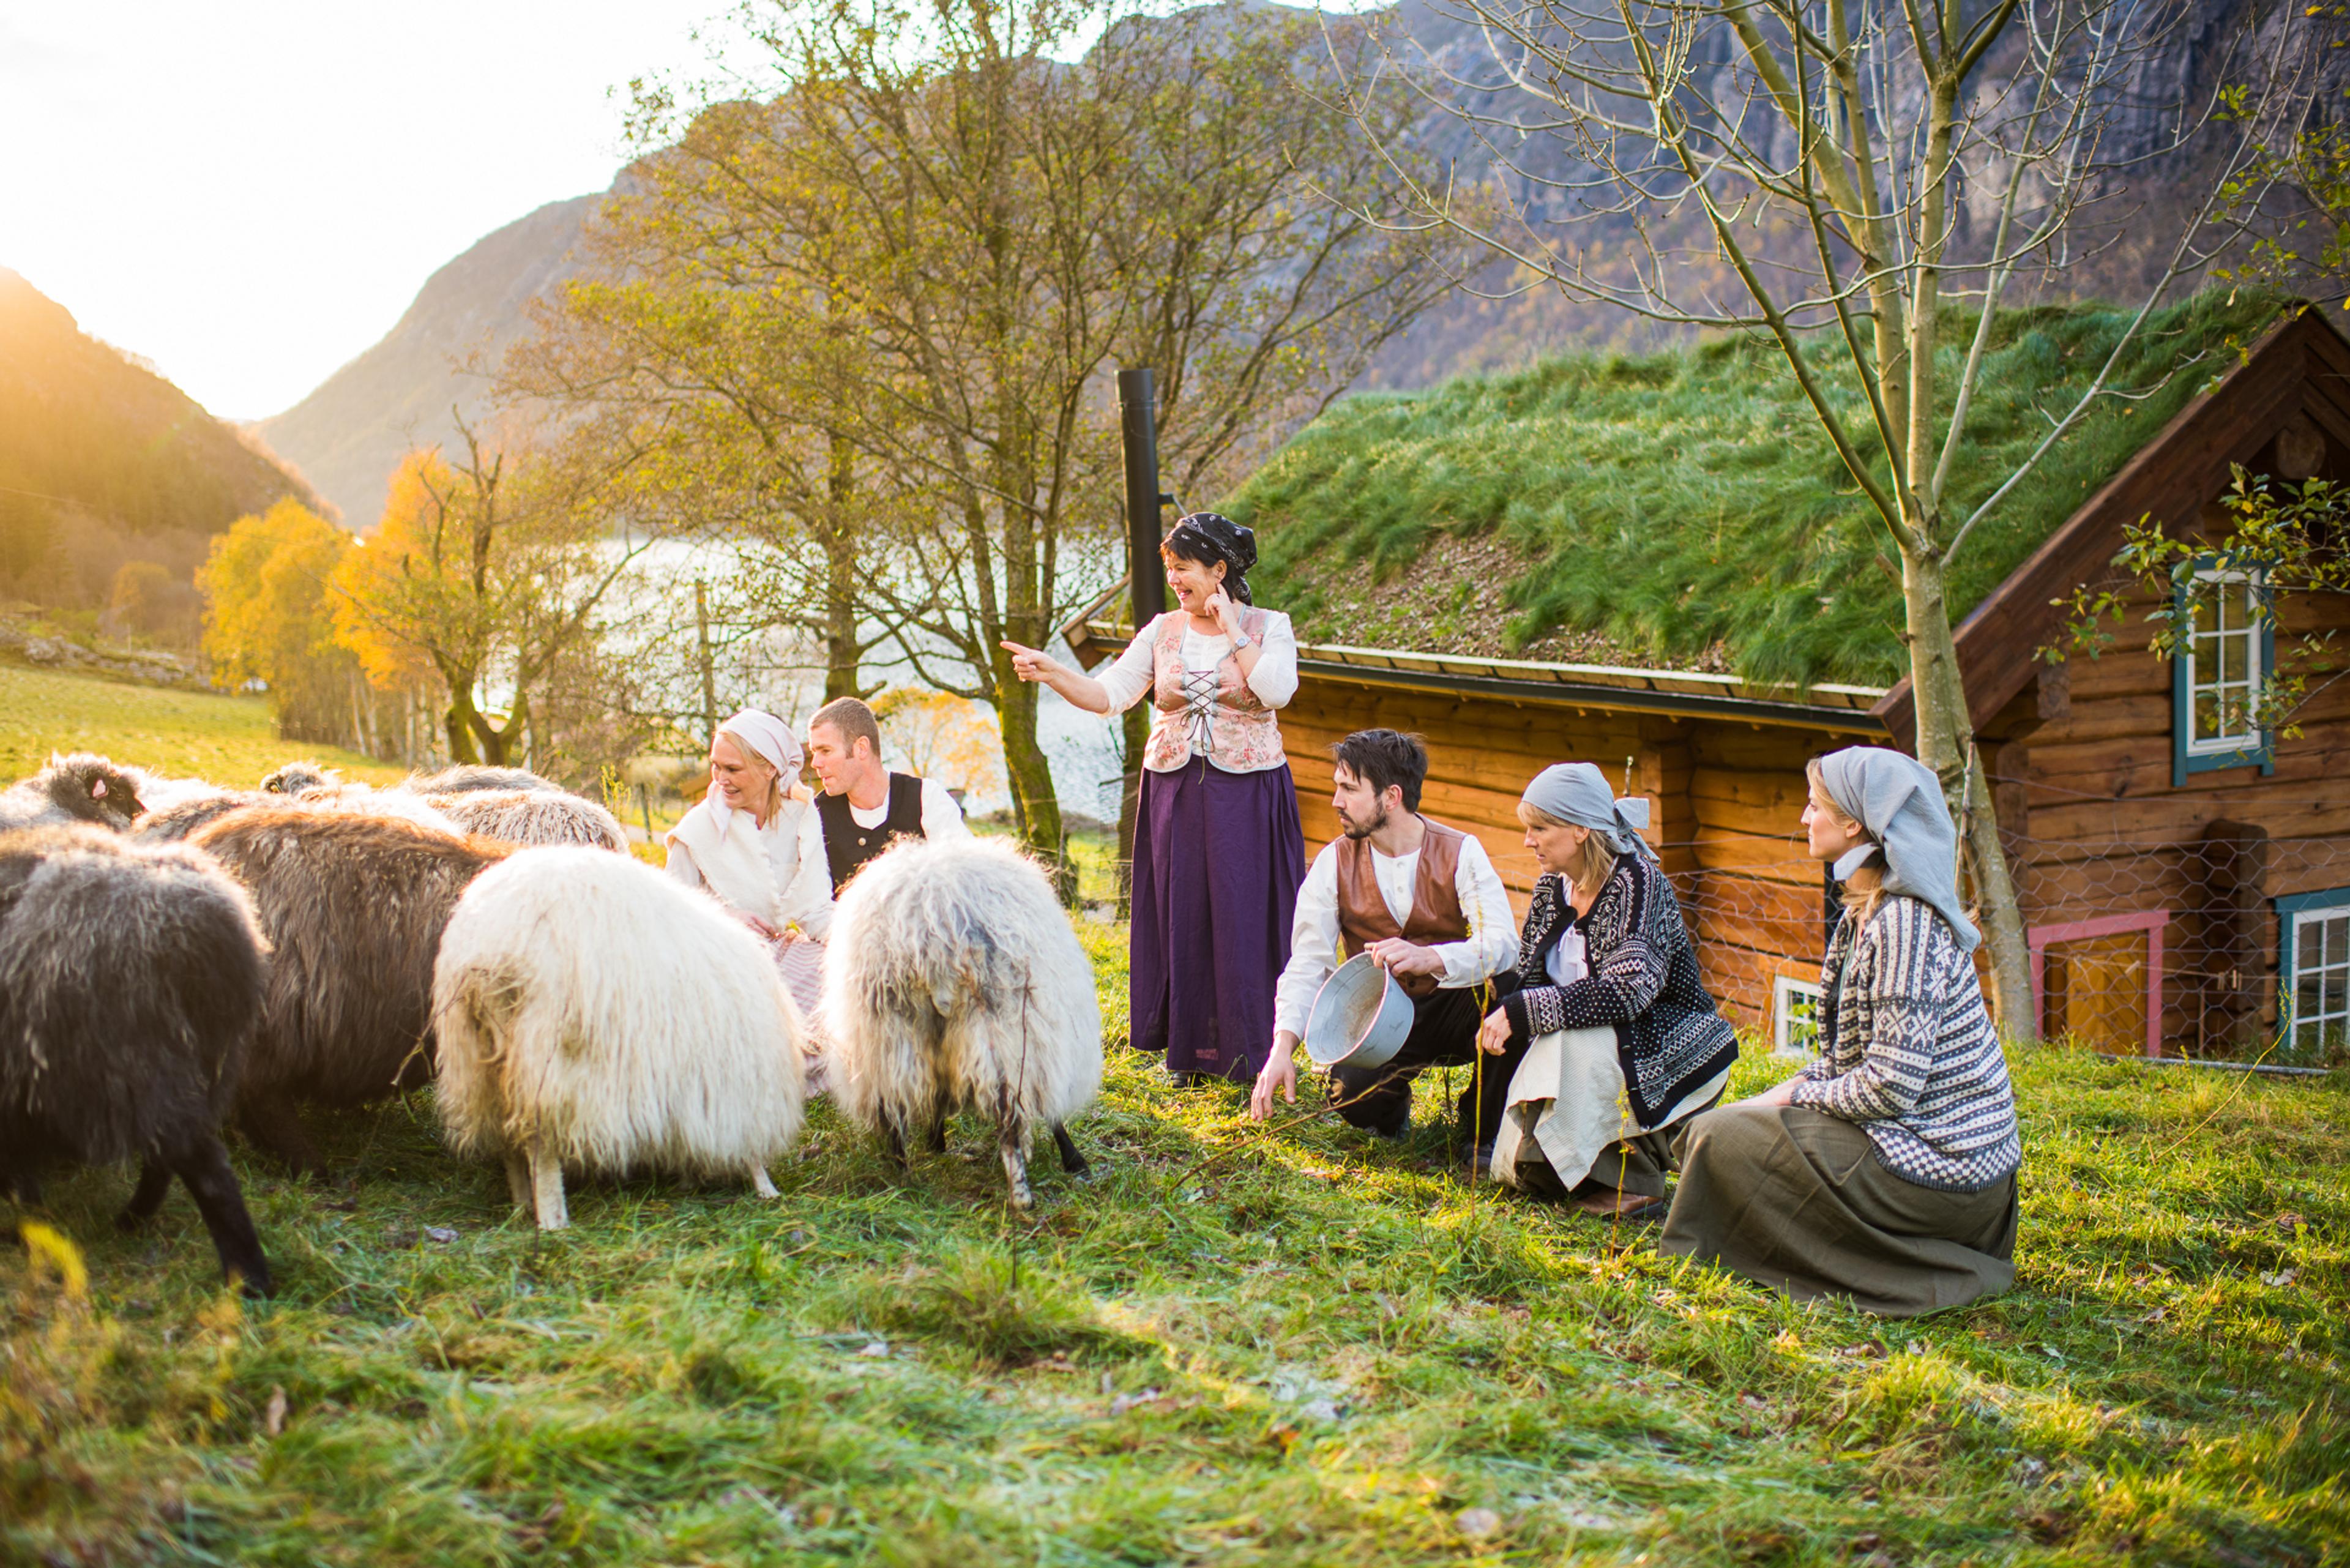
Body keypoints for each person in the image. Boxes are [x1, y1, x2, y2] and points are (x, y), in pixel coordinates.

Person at [1658, 747, 2022, 1316]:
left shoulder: (1903, 924)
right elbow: (1845, 1063)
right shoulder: (1865, 911)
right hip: (1916, 1149)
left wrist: (1794, 1096)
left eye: (1814, 806)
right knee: (1724, 1127)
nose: (1805, 818)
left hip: (1949, 1177)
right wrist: (1774, 1099)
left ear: (1854, 823)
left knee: (1723, 1140)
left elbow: (1890, 1087)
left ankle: (1730, 1250)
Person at [1001, 512, 1305, 1084]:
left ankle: (1249, 1050)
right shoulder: (1163, 630)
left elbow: (1277, 692)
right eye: (1170, 569)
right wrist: (1052, 674)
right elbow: (1110, 694)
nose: (1175, 580)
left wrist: (1234, 630)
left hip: (1247, 791)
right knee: (1182, 911)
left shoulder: (1270, 627)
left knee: (1240, 914)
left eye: (1184, 569)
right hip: (1174, 789)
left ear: (1219, 570)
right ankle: (1187, 1051)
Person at [1484, 763, 1739, 1217]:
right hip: (1587, 1042)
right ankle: (1562, 1167)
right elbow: (1532, 982)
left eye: (1539, 828)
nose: (1528, 840)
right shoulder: (1551, 889)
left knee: (1571, 1040)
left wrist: (1525, 1010)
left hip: (1665, 1037)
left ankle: (1636, 1180)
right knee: (1535, 1165)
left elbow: (1628, 992)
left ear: (1581, 829)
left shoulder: (1637, 883)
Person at [1248, 730, 1519, 1146]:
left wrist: (1433, 959)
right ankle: (1391, 1112)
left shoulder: (1462, 851)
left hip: (1456, 1005)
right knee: (1353, 1099)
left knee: (1513, 990)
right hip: (1377, 1017)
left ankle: (1481, 1129)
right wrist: (1281, 1047)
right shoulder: (1332, 863)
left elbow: (1502, 943)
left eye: (1349, 789)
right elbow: (1307, 963)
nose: (1336, 801)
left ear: (1391, 797)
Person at [665, 709, 834, 1020]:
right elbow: (668, 915)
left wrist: (861, 943)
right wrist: (722, 918)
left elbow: (815, 909)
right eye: (716, 766)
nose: (720, 779)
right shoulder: (698, 830)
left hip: (779, 959)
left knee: (842, 990)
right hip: (716, 965)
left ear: (770, 768)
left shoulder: (799, 817)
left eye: (732, 769)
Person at [804, 695, 971, 893]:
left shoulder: (926, 797)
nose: (815, 763)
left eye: (825, 751)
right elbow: (814, 905)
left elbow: (966, 876)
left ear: (861, 748)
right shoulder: (817, 814)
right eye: (815, 752)